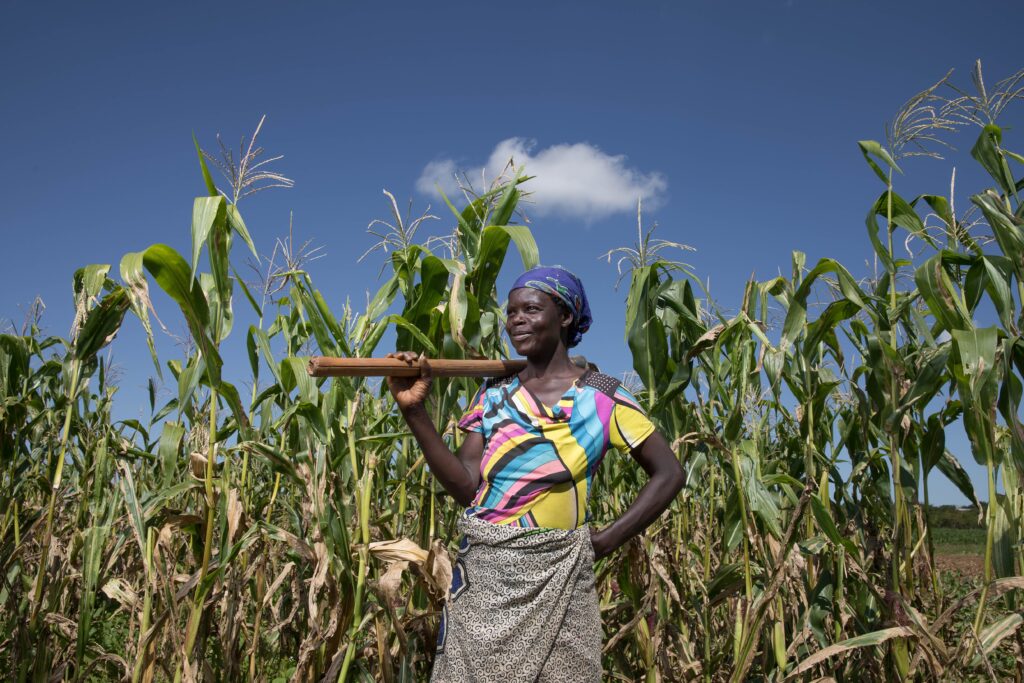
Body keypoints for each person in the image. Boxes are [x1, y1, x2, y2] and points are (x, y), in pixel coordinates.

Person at [386, 266, 685, 682]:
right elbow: (467, 487)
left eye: (530, 309)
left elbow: (669, 472)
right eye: (511, 312)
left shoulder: (602, 395)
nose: (516, 320)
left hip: (561, 574)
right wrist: (415, 412)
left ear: (564, 317)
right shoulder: (494, 393)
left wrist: (601, 543)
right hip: (487, 577)